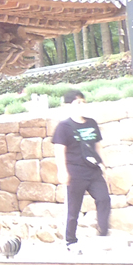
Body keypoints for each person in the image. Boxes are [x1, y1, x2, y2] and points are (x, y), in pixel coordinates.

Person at [52, 89, 110, 252]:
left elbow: (97, 145)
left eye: (83, 102)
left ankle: (103, 235)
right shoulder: (63, 127)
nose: (81, 105)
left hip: (93, 171)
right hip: (75, 172)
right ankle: (70, 240)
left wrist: (104, 166)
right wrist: (62, 171)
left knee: (104, 199)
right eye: (77, 102)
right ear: (68, 105)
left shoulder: (91, 123)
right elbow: (59, 150)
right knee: (73, 208)